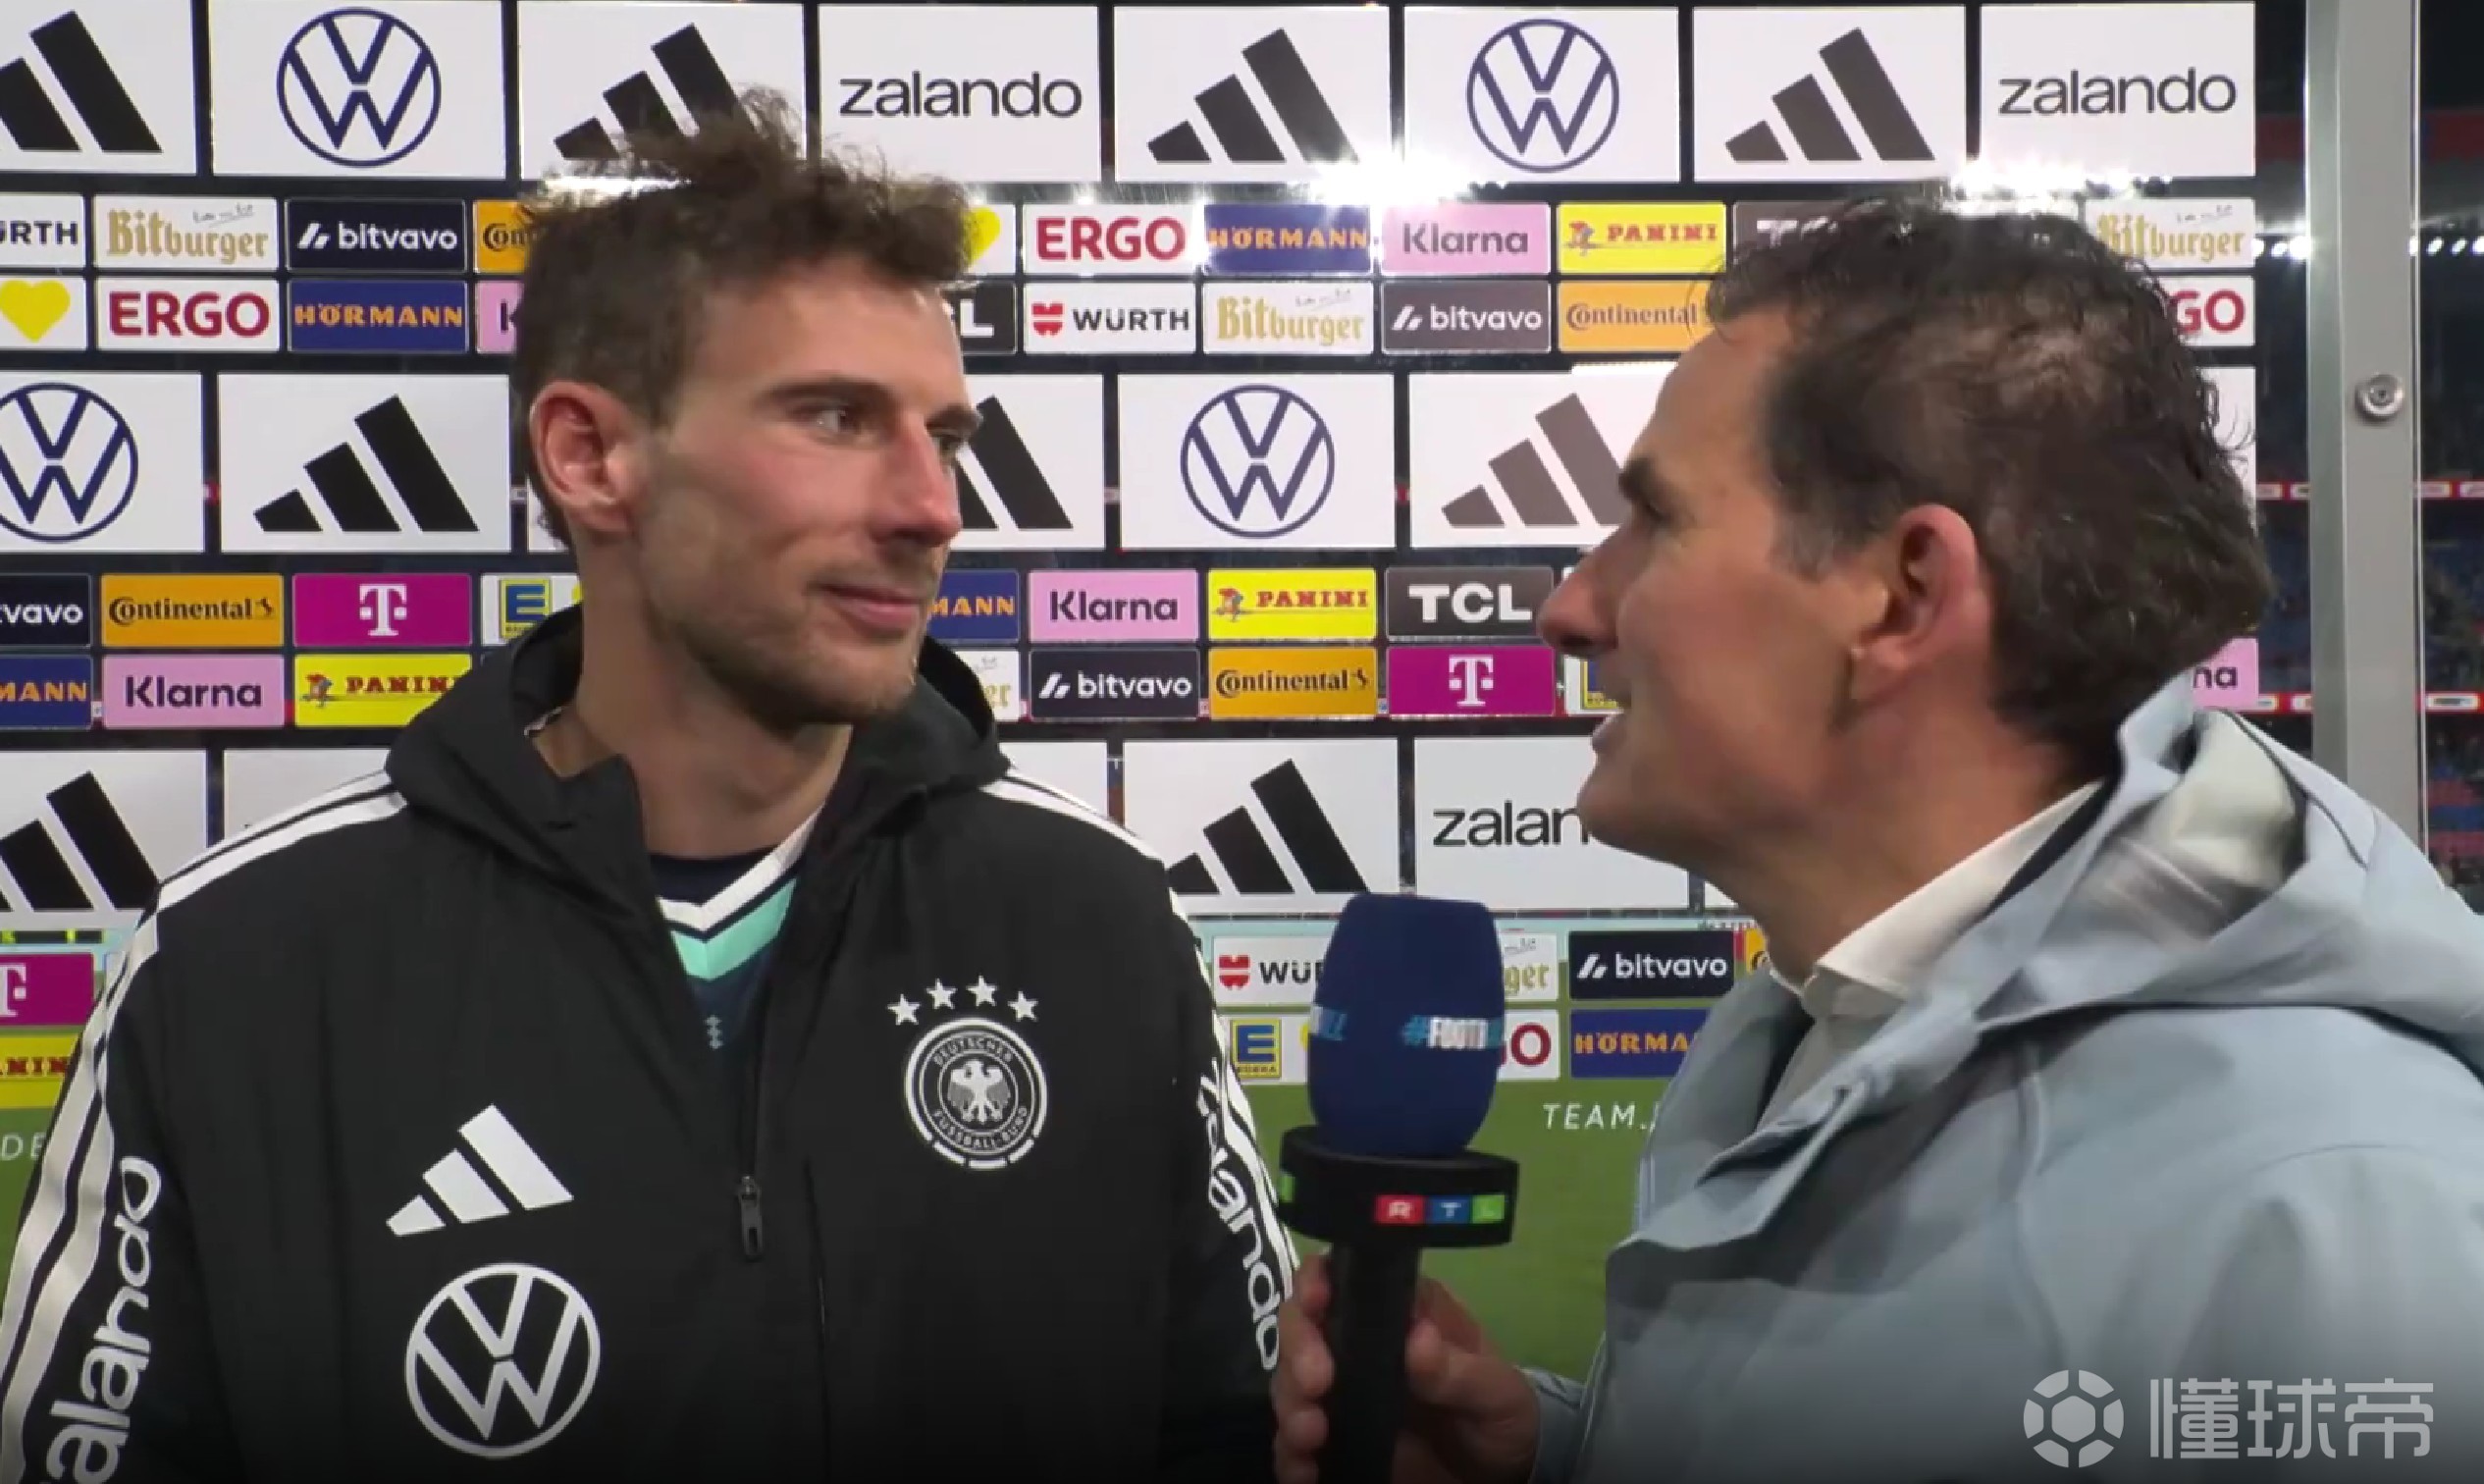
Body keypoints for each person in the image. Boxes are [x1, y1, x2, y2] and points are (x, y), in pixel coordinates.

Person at [0, 95, 1291, 1484]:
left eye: (948, 437)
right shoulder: (235, 968)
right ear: (590, 457)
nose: (933, 509)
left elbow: (1242, 1438)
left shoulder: (1099, 919)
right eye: (837, 418)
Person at [1274, 197, 2484, 1483]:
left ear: (1906, 595)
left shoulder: (2344, 1210)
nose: (1570, 606)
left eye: (1658, 520)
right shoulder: (1823, 1021)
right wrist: (1550, 1460)